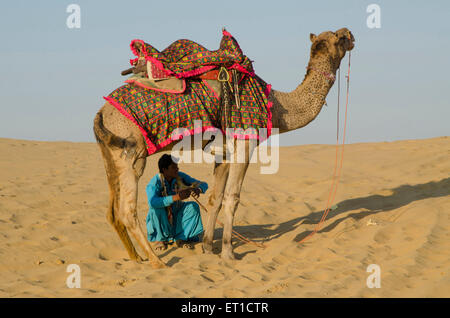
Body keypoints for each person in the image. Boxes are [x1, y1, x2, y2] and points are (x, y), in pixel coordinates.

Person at [145, 154, 208, 251]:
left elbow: (203, 184)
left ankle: (181, 238)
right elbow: (152, 202)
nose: (177, 169)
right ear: (164, 170)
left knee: (193, 206)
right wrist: (177, 197)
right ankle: (160, 239)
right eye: (173, 167)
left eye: (177, 166)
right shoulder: (155, 183)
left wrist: (198, 189)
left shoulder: (180, 177)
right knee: (156, 209)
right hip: (162, 218)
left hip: (176, 213)